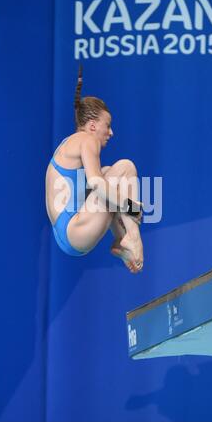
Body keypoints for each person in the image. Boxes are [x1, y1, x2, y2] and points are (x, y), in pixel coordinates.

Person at [45, 67, 143, 273]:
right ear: (92, 126)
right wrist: (132, 208)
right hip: (75, 230)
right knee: (125, 168)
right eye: (107, 126)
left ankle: (121, 239)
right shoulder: (88, 140)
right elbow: (96, 184)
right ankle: (132, 238)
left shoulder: (69, 143)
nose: (111, 132)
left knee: (108, 172)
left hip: (66, 231)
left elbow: (99, 187)